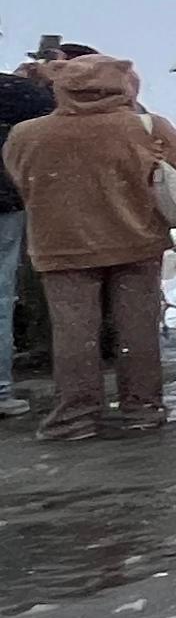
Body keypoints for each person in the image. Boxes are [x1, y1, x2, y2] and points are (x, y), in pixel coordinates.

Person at [1, 56, 176, 441]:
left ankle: (75, 415)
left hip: (61, 244)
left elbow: (20, 178)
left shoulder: (27, 133)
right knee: (137, 330)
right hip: (136, 239)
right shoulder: (145, 127)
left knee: (74, 334)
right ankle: (142, 407)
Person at [0, 43, 48, 416]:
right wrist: (45, 79)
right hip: (3, 203)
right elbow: (57, 114)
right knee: (1, 296)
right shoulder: (15, 93)